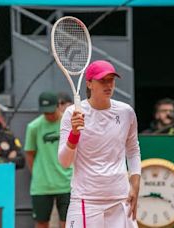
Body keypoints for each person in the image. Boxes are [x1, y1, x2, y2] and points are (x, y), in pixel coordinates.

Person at [58, 60, 141, 228]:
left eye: (111, 80)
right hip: (86, 200)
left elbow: (132, 150)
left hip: (120, 198)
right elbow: (64, 162)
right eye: (102, 80)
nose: (108, 84)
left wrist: (135, 183)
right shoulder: (71, 114)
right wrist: (74, 133)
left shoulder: (126, 112)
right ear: (89, 84)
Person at [24, 92, 72, 228]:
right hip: (42, 185)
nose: (49, 115)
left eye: (51, 111)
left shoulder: (68, 123)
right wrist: (38, 174)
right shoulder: (34, 127)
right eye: (45, 112)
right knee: (41, 223)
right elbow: (29, 153)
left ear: (58, 106)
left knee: (67, 223)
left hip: (67, 182)